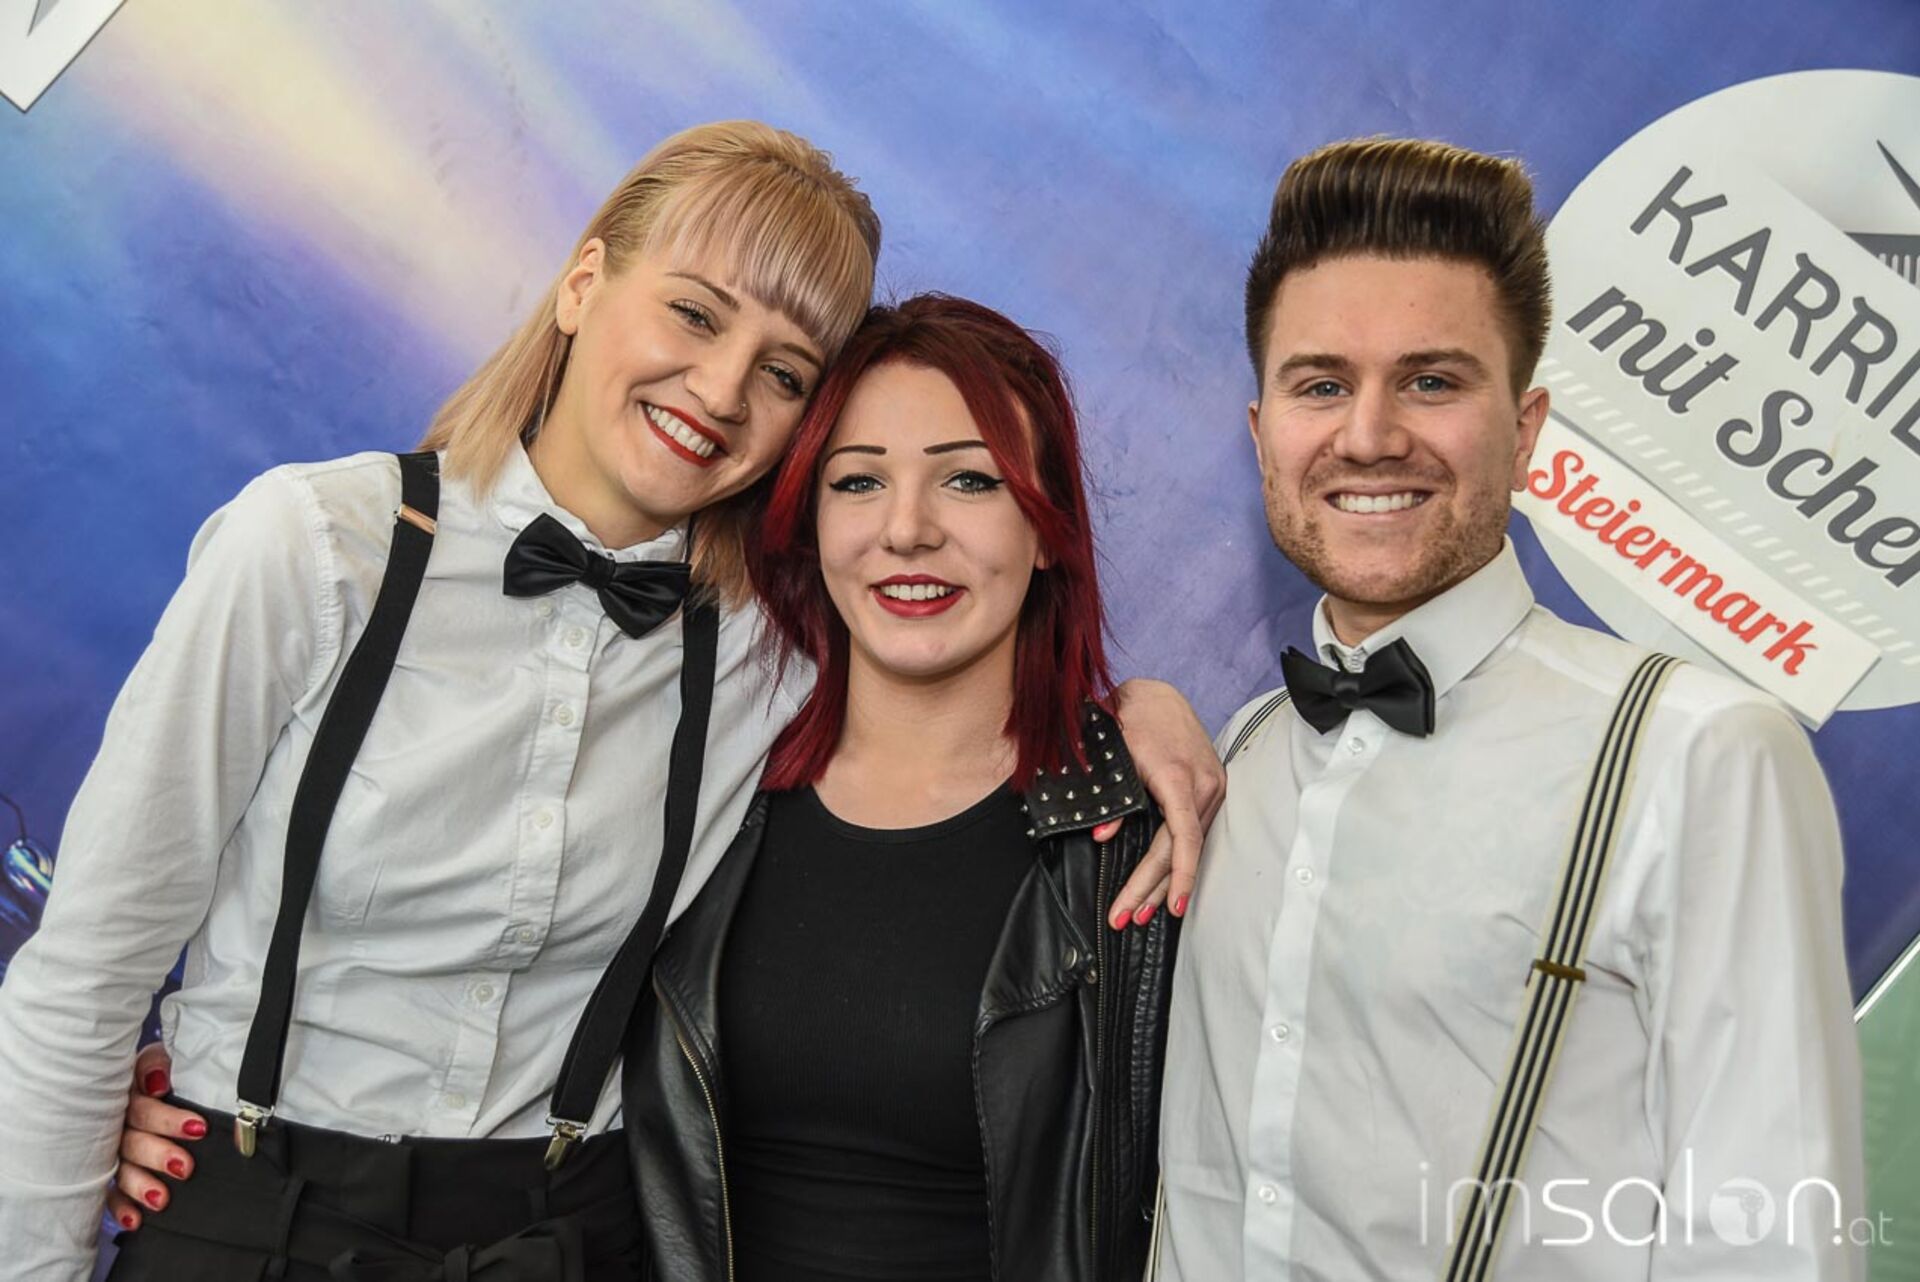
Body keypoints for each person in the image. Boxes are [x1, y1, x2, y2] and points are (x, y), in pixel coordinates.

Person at [0, 121, 1218, 1282]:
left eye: (783, 371)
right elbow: (85, 978)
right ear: (583, 284)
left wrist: (1136, 712)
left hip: (565, 1239)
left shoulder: (767, 651)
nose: (722, 388)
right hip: (251, 1218)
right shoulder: (319, 549)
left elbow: (954, 643)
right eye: (694, 312)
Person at [1152, 138, 1864, 1280]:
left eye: (1432, 382)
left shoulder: (1703, 757)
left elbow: (1775, 1246)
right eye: (1321, 385)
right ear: (1261, 434)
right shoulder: (1237, 754)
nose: (1369, 435)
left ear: (1526, 432)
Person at [626, 294, 1175, 1281]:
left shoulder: (1138, 831)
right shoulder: (707, 782)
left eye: (969, 479)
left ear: (1048, 529)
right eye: (859, 480)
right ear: (809, 523)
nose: (907, 530)